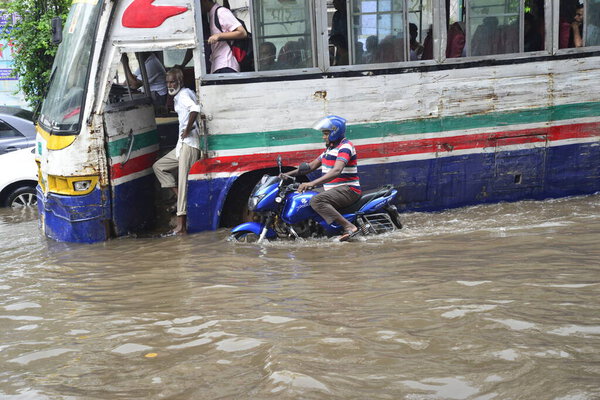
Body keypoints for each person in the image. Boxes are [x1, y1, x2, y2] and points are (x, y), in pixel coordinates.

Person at [284, 116, 361, 242]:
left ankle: (349, 226)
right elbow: (311, 166)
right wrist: (287, 174)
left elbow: (336, 171)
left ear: (335, 131)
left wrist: (311, 183)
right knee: (304, 197)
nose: (323, 137)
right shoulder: (329, 149)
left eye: (326, 133)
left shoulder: (345, 147)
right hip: (334, 190)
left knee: (317, 201)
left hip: (349, 190)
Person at [152, 68, 201, 235]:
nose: (169, 85)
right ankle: (179, 194)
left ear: (179, 81)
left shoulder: (184, 94)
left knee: (184, 182)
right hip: (182, 145)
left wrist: (187, 130)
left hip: (190, 144)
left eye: (172, 82)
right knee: (159, 166)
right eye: (167, 82)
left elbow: (195, 109)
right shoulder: (178, 97)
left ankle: (182, 226)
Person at [200, 0, 248, 73]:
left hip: (226, 64)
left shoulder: (221, 12)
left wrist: (218, 36)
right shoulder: (211, 15)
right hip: (217, 63)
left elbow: (242, 32)